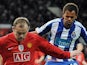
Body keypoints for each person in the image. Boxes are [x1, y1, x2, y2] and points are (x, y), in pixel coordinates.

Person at [0, 17, 81, 65]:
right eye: (18, 33)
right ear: (13, 29)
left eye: (24, 33)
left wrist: (68, 54)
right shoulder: (3, 41)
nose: (21, 36)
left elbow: (51, 49)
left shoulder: (34, 39)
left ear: (28, 29)